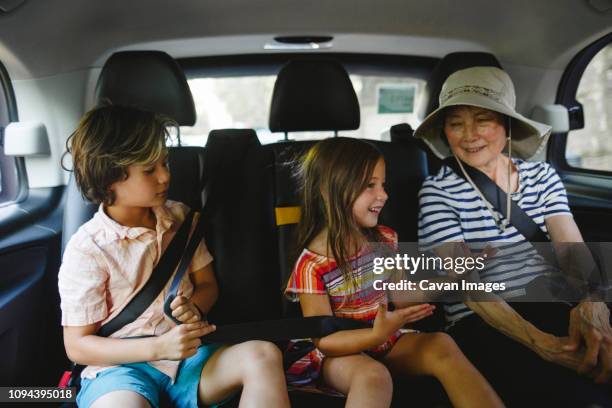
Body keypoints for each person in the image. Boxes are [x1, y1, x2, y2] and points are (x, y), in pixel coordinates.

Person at [58, 105, 290, 408]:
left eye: (165, 163)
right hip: (120, 368)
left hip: (189, 358)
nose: (166, 176)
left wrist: (193, 308)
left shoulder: (181, 219)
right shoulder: (88, 248)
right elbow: (77, 346)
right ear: (109, 177)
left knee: (263, 355)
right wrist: (157, 347)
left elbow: (207, 285)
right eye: (150, 170)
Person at [415, 66, 612, 406]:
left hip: (552, 302)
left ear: (506, 124)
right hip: (485, 320)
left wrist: (590, 301)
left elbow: (569, 248)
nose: (469, 134)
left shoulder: (542, 176)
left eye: (482, 119)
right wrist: (539, 342)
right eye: (456, 122)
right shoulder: (437, 191)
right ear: (444, 130)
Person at [284, 137, 504, 408]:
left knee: (441, 344)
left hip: (384, 340)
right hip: (337, 354)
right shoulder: (312, 265)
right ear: (329, 191)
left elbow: (400, 296)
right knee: (373, 375)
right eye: (369, 185)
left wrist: (454, 278)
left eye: (383, 184)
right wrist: (376, 334)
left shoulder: (385, 240)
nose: (384, 195)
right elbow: (326, 341)